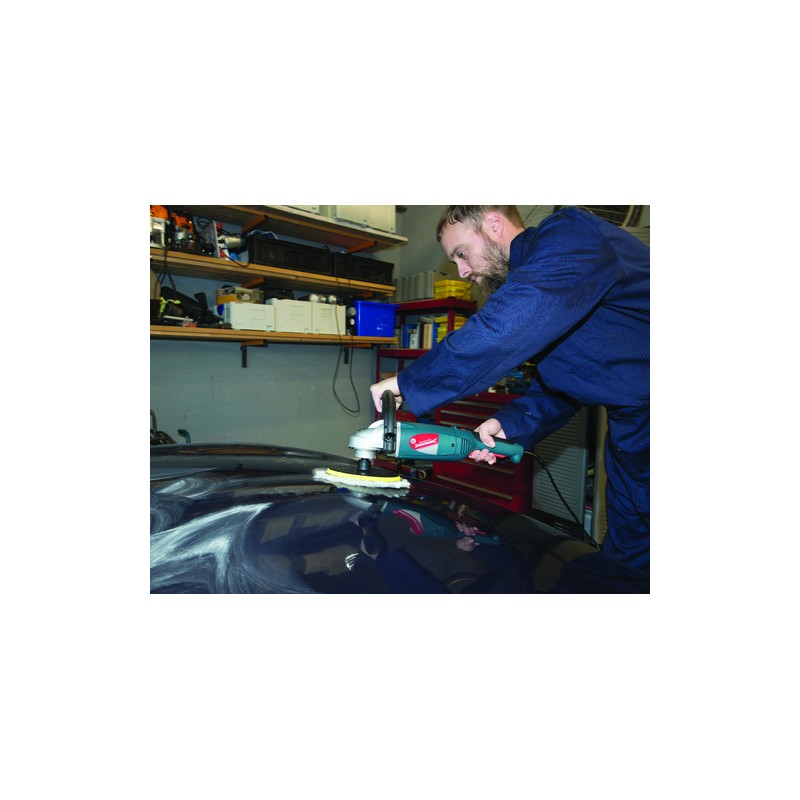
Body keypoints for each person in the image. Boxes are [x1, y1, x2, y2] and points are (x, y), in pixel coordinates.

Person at [370, 206, 650, 573]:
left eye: (462, 253)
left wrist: (409, 381)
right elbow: (565, 382)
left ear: (494, 224)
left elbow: (502, 329)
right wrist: (513, 423)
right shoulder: (550, 292)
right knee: (628, 557)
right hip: (633, 434)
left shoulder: (571, 235)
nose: (462, 271)